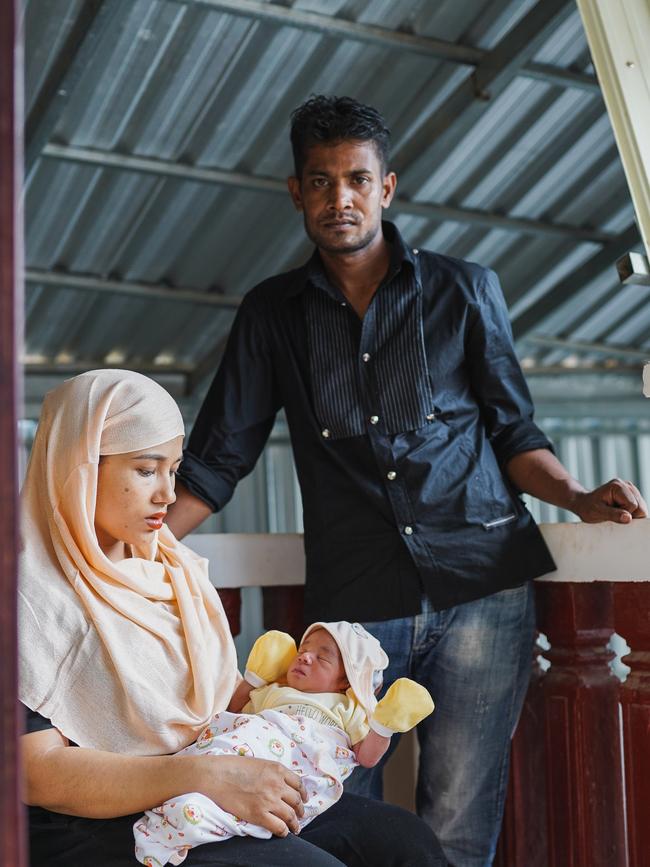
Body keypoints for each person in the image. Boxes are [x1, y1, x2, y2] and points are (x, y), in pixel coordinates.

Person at [167, 95, 648, 866]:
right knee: (332, 815)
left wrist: (578, 497)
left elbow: (514, 431)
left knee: (458, 822)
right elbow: (220, 456)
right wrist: (126, 550)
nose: (340, 199)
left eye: (357, 179)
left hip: (484, 588)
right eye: (320, 182)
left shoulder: (464, 290)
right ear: (296, 192)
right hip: (354, 610)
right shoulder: (272, 315)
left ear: (386, 188)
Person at [18, 369, 447, 867]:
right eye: (145, 469)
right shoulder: (27, 600)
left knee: (403, 842)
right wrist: (209, 776)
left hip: (209, 773)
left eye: (173, 469)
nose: (167, 494)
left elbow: (220, 705)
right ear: (80, 466)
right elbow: (37, 773)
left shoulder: (173, 570)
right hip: (99, 819)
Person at [134, 621, 434, 865]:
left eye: (322, 657)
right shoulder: (275, 690)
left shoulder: (350, 709)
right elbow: (234, 711)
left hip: (293, 769)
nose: (305, 657)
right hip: (248, 749)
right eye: (303, 649)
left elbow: (366, 757)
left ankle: (196, 818)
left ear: (346, 681)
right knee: (228, 750)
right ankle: (189, 798)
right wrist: (254, 678)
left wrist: (385, 725)